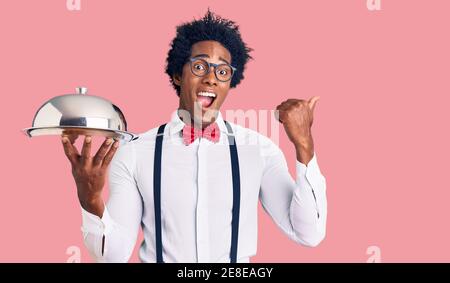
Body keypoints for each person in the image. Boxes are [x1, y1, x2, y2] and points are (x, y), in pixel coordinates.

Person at [61, 10, 327, 263]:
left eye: (222, 72)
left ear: (229, 83)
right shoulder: (135, 153)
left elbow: (309, 234)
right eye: (200, 67)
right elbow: (112, 257)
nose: (211, 79)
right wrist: (91, 199)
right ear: (178, 74)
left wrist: (304, 145)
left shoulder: (259, 150)